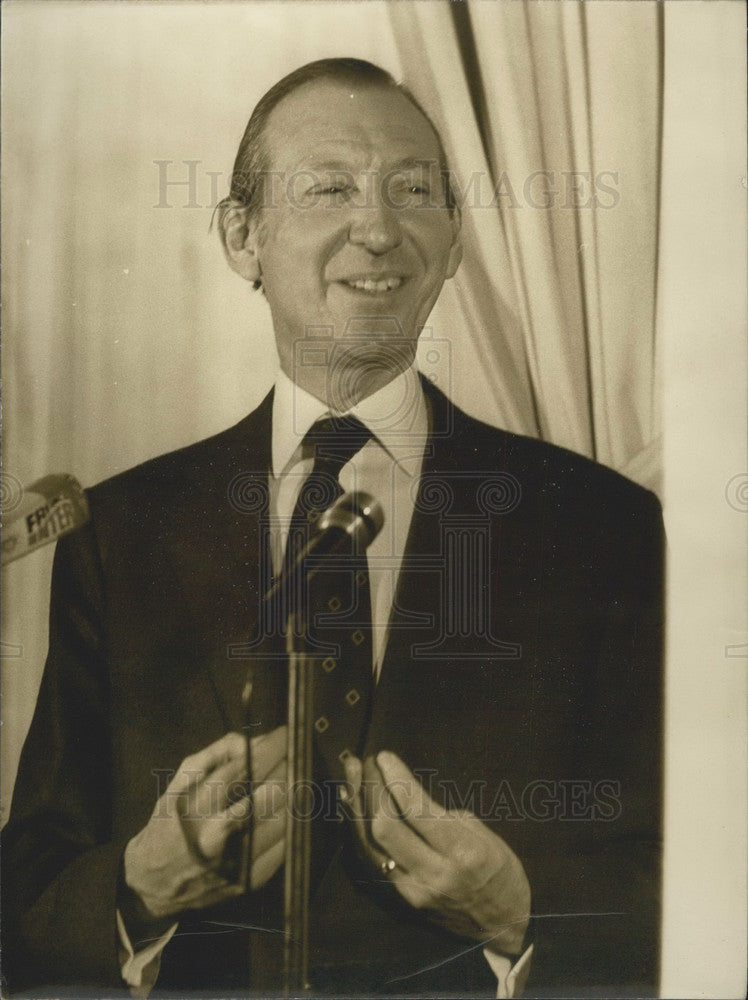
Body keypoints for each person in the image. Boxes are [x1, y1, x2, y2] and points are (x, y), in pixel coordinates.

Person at [1, 59, 663, 998]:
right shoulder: (119, 533)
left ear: (455, 240)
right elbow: (27, 896)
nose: (379, 228)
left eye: (415, 191)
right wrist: (141, 889)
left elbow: (694, 878)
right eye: (329, 189)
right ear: (241, 236)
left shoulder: (606, 529)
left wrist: (524, 909)